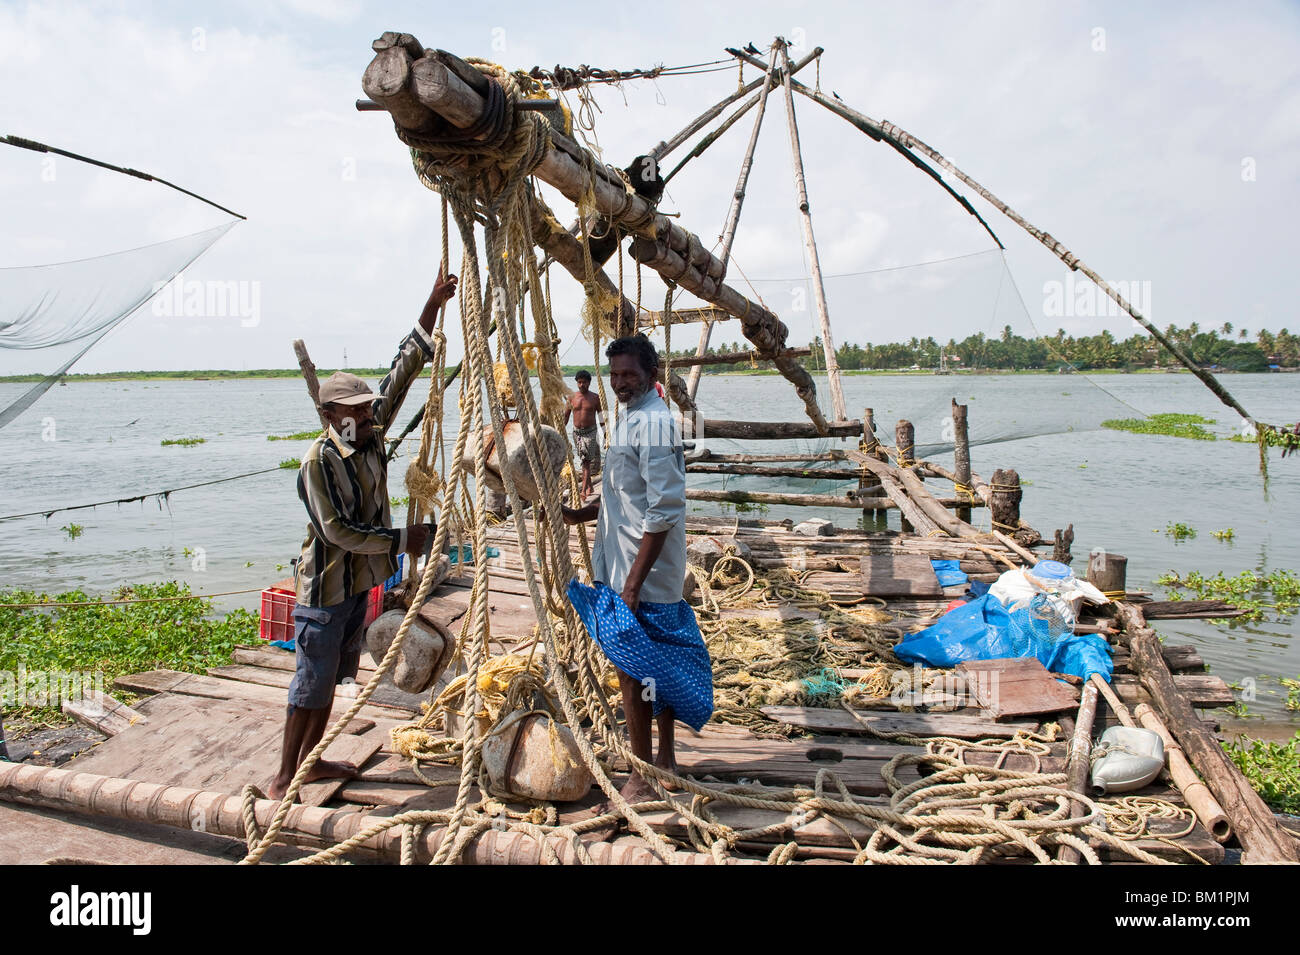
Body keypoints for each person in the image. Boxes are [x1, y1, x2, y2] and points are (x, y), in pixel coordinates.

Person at [268, 267, 457, 801]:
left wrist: (432, 301)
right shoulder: (319, 463)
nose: (371, 416)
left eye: (370, 410)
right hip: (324, 592)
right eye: (358, 411)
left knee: (332, 680)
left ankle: (313, 760)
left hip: (356, 590)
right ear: (332, 416)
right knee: (308, 684)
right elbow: (339, 533)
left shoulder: (368, 436)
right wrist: (402, 542)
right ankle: (284, 776)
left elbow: (403, 371)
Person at [562, 334, 713, 805]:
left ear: (651, 375)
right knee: (658, 666)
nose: (621, 383)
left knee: (633, 674)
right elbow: (625, 493)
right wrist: (579, 515)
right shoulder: (630, 417)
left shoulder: (654, 424)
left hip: (641, 577)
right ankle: (665, 760)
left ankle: (640, 778)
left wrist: (631, 586)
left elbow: (665, 509)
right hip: (630, 568)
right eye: (615, 376)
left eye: (629, 375)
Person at [563, 369, 602, 499]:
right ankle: (590, 487)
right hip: (577, 433)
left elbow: (601, 416)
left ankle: (583, 491)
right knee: (583, 460)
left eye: (584, 382)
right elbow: (566, 416)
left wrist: (606, 433)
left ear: (589, 383)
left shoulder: (595, 398)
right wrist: (560, 431)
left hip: (590, 433)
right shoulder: (571, 397)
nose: (581, 385)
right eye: (579, 382)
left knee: (586, 462)